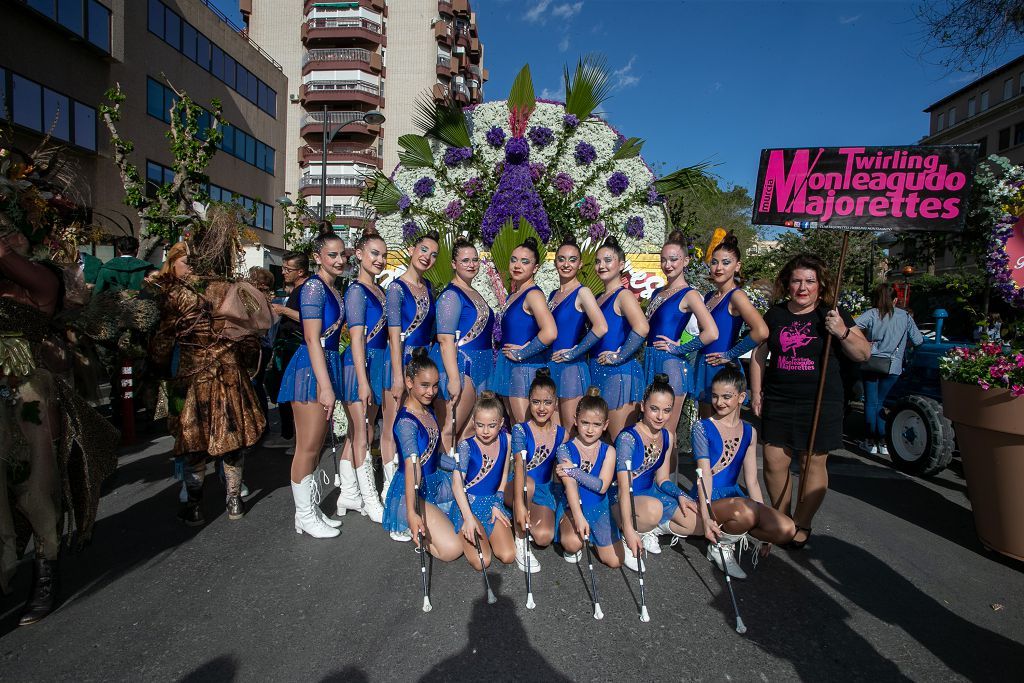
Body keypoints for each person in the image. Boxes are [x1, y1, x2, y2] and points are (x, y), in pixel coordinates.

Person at [1, 230, 118, 626]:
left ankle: (45, 570)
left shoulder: (42, 280)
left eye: (9, 228)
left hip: (27, 398)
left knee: (35, 486)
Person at [750, 254, 871, 550]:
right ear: (787, 284)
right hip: (779, 397)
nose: (802, 287)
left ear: (820, 284)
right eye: (796, 281)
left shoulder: (832, 314)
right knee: (775, 460)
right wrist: (756, 392)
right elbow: (758, 356)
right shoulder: (775, 315)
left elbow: (863, 354)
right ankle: (782, 521)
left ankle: (801, 524)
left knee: (811, 462)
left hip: (820, 401)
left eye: (809, 281)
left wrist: (841, 331)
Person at [150, 231, 270, 526]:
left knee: (194, 440)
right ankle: (234, 500)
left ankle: (193, 505)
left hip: (193, 377)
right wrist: (245, 364)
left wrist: (158, 369)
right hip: (229, 374)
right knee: (231, 439)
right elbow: (251, 339)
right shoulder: (232, 290)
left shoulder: (176, 293)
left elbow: (164, 340)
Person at [690, 364, 797, 578]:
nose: (719, 402)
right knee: (746, 512)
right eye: (715, 396)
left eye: (726, 397)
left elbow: (752, 481)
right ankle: (721, 547)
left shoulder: (749, 431)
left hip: (735, 498)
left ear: (741, 397)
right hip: (708, 496)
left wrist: (766, 527)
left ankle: (737, 531)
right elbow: (705, 476)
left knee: (786, 528)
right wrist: (707, 514)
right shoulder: (702, 427)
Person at [278, 225, 348, 539]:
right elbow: (311, 336)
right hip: (311, 368)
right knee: (306, 447)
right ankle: (304, 515)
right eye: (332, 254)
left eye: (342, 254)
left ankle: (309, 510)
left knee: (316, 445)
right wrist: (325, 385)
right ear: (317, 257)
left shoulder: (333, 288)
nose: (339, 259)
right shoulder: (314, 288)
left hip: (325, 364)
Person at [643, 230, 718, 455]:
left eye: (673, 259)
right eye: (664, 259)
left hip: (671, 366)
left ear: (685, 261)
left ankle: (666, 484)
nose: (668, 264)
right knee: (650, 430)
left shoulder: (690, 294)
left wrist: (679, 348)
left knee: (666, 432)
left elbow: (711, 332)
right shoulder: (659, 291)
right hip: (650, 361)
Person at [381, 348, 462, 558]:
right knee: (452, 550)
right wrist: (411, 511)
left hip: (436, 481)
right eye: (424, 385)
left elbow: (433, 456)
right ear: (409, 382)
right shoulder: (407, 422)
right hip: (415, 489)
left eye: (435, 385)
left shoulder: (428, 409)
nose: (431, 392)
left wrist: (461, 467)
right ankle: (415, 528)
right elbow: (412, 466)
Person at [383, 231, 439, 506]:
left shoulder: (429, 287)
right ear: (411, 249)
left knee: (417, 425)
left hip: (424, 362)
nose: (427, 257)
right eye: (423, 250)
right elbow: (393, 334)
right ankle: (393, 494)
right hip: (401, 360)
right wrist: (397, 374)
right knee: (395, 425)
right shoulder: (396, 288)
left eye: (433, 254)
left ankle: (418, 486)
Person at [340, 227, 389, 522]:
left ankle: (348, 492)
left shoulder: (378, 290)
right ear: (359, 255)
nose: (380, 260)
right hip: (360, 365)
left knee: (357, 432)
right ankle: (370, 498)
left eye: (383, 255)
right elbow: (356, 337)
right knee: (364, 433)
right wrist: (362, 379)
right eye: (374, 254)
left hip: (377, 362)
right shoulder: (356, 290)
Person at [432, 238, 494, 451]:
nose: (471, 264)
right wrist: (453, 379)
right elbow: (445, 339)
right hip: (461, 367)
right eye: (465, 260)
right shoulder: (451, 295)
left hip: (483, 367)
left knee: (469, 431)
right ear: (453, 264)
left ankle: (459, 480)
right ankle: (441, 481)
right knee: (449, 428)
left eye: (475, 260)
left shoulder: (474, 292)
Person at [696, 232, 769, 415]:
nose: (719, 268)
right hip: (704, 367)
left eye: (726, 263)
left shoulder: (736, 296)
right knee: (705, 432)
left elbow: (761, 331)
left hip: (724, 371)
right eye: (714, 262)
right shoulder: (708, 297)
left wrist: (730, 354)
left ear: (737, 267)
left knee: (725, 432)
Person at [506, 368, 568, 574]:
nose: (541, 408)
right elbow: (520, 467)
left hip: (542, 491)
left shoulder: (561, 434)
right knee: (527, 484)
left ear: (556, 403)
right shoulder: (520, 430)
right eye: (536, 402)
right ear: (529, 401)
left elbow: (565, 468)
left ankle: (522, 515)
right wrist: (522, 505)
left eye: (547, 402)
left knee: (543, 537)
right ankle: (520, 539)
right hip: (518, 484)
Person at [553, 387, 623, 568]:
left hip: (599, 506)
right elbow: (570, 487)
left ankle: (596, 535)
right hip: (572, 506)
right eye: (585, 423)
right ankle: (576, 533)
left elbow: (602, 486)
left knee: (615, 561)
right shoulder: (564, 449)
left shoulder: (609, 451)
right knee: (572, 543)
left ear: (605, 425)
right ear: (575, 421)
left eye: (596, 424)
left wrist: (573, 471)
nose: (590, 430)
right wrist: (578, 517)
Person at [447, 391, 516, 570]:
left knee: (508, 555)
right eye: (480, 425)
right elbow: (457, 484)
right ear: (473, 423)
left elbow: (504, 474)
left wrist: (498, 501)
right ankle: (464, 531)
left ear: (501, 423)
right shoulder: (466, 446)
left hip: (492, 503)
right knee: (482, 561)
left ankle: (486, 535)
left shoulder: (506, 440)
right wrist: (468, 518)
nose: (485, 431)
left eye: (492, 425)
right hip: (468, 506)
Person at [492, 237, 558, 424]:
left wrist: (523, 353)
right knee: (516, 426)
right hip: (509, 366)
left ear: (535, 268)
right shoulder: (514, 294)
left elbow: (550, 332)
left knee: (526, 428)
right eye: (514, 260)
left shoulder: (534, 294)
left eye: (525, 261)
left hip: (525, 368)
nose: (517, 265)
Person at [590, 235, 649, 440]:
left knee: (620, 441)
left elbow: (642, 327)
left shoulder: (624, 295)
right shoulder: (598, 297)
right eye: (598, 261)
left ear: (621, 264)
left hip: (619, 375)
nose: (601, 265)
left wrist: (620, 356)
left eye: (608, 260)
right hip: (597, 370)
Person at [855, 283, 924, 455]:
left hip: (871, 362)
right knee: (881, 402)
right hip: (893, 365)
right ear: (895, 300)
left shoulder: (871, 313)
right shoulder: (905, 316)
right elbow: (918, 340)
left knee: (871, 402)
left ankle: (870, 440)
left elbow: (851, 328)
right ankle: (884, 442)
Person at [547, 236, 608, 428]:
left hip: (571, 370)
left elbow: (601, 327)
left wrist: (573, 353)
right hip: (551, 366)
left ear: (580, 264)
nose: (566, 264)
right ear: (555, 261)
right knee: (554, 432)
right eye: (561, 259)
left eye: (572, 260)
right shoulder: (552, 294)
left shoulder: (583, 292)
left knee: (570, 431)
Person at [266, 251, 310, 448]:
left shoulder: (306, 290)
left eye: (288, 269)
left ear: (300, 271)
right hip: (288, 345)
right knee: (282, 389)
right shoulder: (298, 290)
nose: (283, 272)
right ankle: (288, 434)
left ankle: (292, 437)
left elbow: (307, 317)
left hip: (295, 346)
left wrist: (282, 310)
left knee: (288, 391)